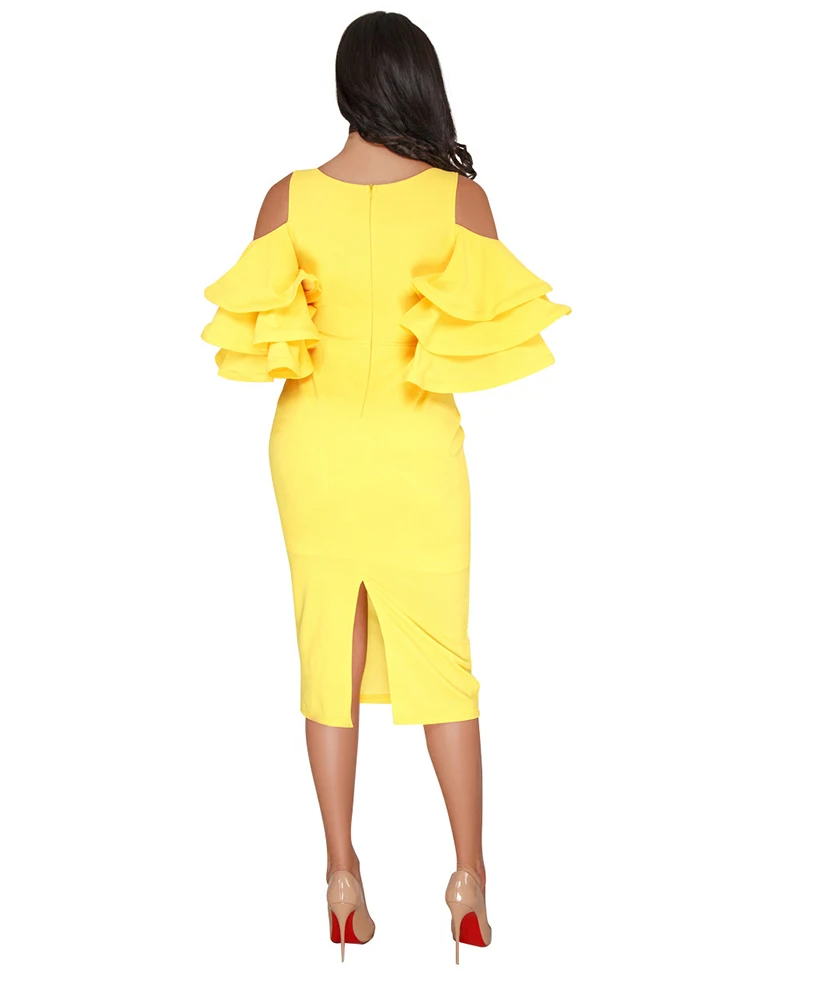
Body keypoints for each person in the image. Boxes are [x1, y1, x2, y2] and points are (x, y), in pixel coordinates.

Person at [200, 11, 571, 964]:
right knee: (445, 658)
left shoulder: (287, 198)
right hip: (416, 452)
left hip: (313, 450)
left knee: (328, 652)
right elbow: (478, 336)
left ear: (346, 87)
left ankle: (340, 875)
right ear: (418, 84)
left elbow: (264, 335)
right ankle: (470, 878)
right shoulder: (460, 201)